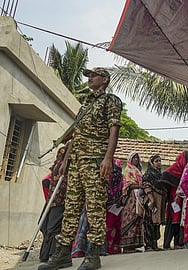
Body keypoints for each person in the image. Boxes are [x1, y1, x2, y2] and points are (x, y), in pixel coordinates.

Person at [38, 67, 122, 270]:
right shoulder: (85, 103)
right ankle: (63, 253)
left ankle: (93, 255)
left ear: (104, 79)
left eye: (93, 75)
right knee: (71, 207)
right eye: (88, 76)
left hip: (95, 160)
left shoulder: (110, 100)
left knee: (94, 207)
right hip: (77, 161)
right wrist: (66, 159)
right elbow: (77, 134)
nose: (90, 78)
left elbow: (114, 128)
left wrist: (108, 158)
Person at [39, 146, 68, 262]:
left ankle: (49, 254)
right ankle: (46, 254)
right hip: (53, 201)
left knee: (53, 228)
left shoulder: (65, 168)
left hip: (59, 201)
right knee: (47, 227)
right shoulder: (58, 166)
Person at [160, 151, 188, 250]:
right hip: (173, 201)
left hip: (183, 200)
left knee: (179, 222)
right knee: (171, 221)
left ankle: (178, 242)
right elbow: (164, 180)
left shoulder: (187, 171)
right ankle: (166, 243)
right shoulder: (172, 170)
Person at [120, 152, 145, 253]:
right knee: (130, 218)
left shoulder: (138, 170)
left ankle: (134, 245)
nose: (136, 159)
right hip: (131, 198)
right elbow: (128, 185)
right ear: (130, 159)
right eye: (134, 158)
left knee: (138, 219)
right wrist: (140, 186)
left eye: (137, 158)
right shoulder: (128, 170)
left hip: (138, 196)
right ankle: (127, 246)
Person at [142, 154, 165, 252]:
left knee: (156, 223)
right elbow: (146, 186)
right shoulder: (148, 174)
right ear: (151, 163)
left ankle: (155, 244)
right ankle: (148, 246)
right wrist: (152, 200)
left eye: (160, 161)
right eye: (156, 161)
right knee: (149, 222)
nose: (159, 163)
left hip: (159, 201)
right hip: (151, 201)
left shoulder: (160, 175)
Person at [105, 158, 124, 254]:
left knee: (116, 226)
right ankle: (108, 247)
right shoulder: (105, 174)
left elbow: (121, 189)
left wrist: (119, 200)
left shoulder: (119, 175)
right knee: (109, 226)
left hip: (116, 204)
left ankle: (114, 248)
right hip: (106, 204)